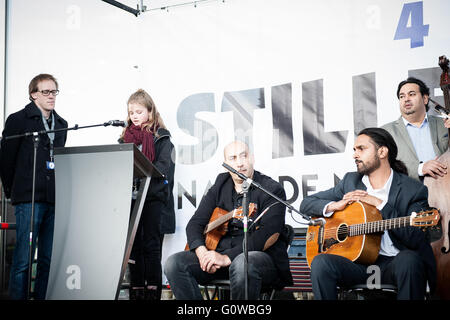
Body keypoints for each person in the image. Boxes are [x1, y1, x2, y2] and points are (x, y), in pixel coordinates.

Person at [300, 127, 436, 300]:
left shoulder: (413, 190)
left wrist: (380, 204)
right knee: (321, 262)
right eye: (354, 150)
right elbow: (306, 204)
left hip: (394, 265)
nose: (355, 155)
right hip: (358, 265)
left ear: (382, 152)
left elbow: (416, 238)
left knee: (409, 260)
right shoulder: (350, 181)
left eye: (361, 149)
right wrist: (335, 205)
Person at [164, 140, 293, 300]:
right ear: (226, 164)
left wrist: (227, 258)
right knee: (174, 264)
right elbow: (195, 224)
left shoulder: (271, 189)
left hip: (259, 259)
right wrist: (202, 252)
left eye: (243, 156)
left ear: (252, 158)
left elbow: (269, 234)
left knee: (242, 264)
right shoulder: (220, 184)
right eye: (232, 158)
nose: (239, 163)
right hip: (218, 257)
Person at [0, 74, 68, 299]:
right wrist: (12, 192)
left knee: (47, 259)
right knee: (23, 259)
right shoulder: (18, 120)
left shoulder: (61, 124)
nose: (51, 97)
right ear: (33, 94)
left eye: (54, 92)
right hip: (28, 199)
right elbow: (6, 161)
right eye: (46, 92)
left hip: (52, 200)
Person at [119, 89, 175, 300]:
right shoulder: (124, 138)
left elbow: (162, 167)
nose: (134, 115)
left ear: (150, 112)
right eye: (131, 111)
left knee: (151, 246)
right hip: (131, 201)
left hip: (152, 200)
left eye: (139, 111)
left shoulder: (162, 137)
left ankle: (152, 292)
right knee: (134, 249)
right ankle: (136, 292)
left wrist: (140, 170)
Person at [382, 77, 450, 181]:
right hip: (408, 193)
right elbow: (382, 167)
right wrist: (420, 168)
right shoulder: (386, 132)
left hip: (443, 188)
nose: (406, 99)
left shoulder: (444, 124)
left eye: (412, 94)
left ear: (425, 99)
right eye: (402, 96)